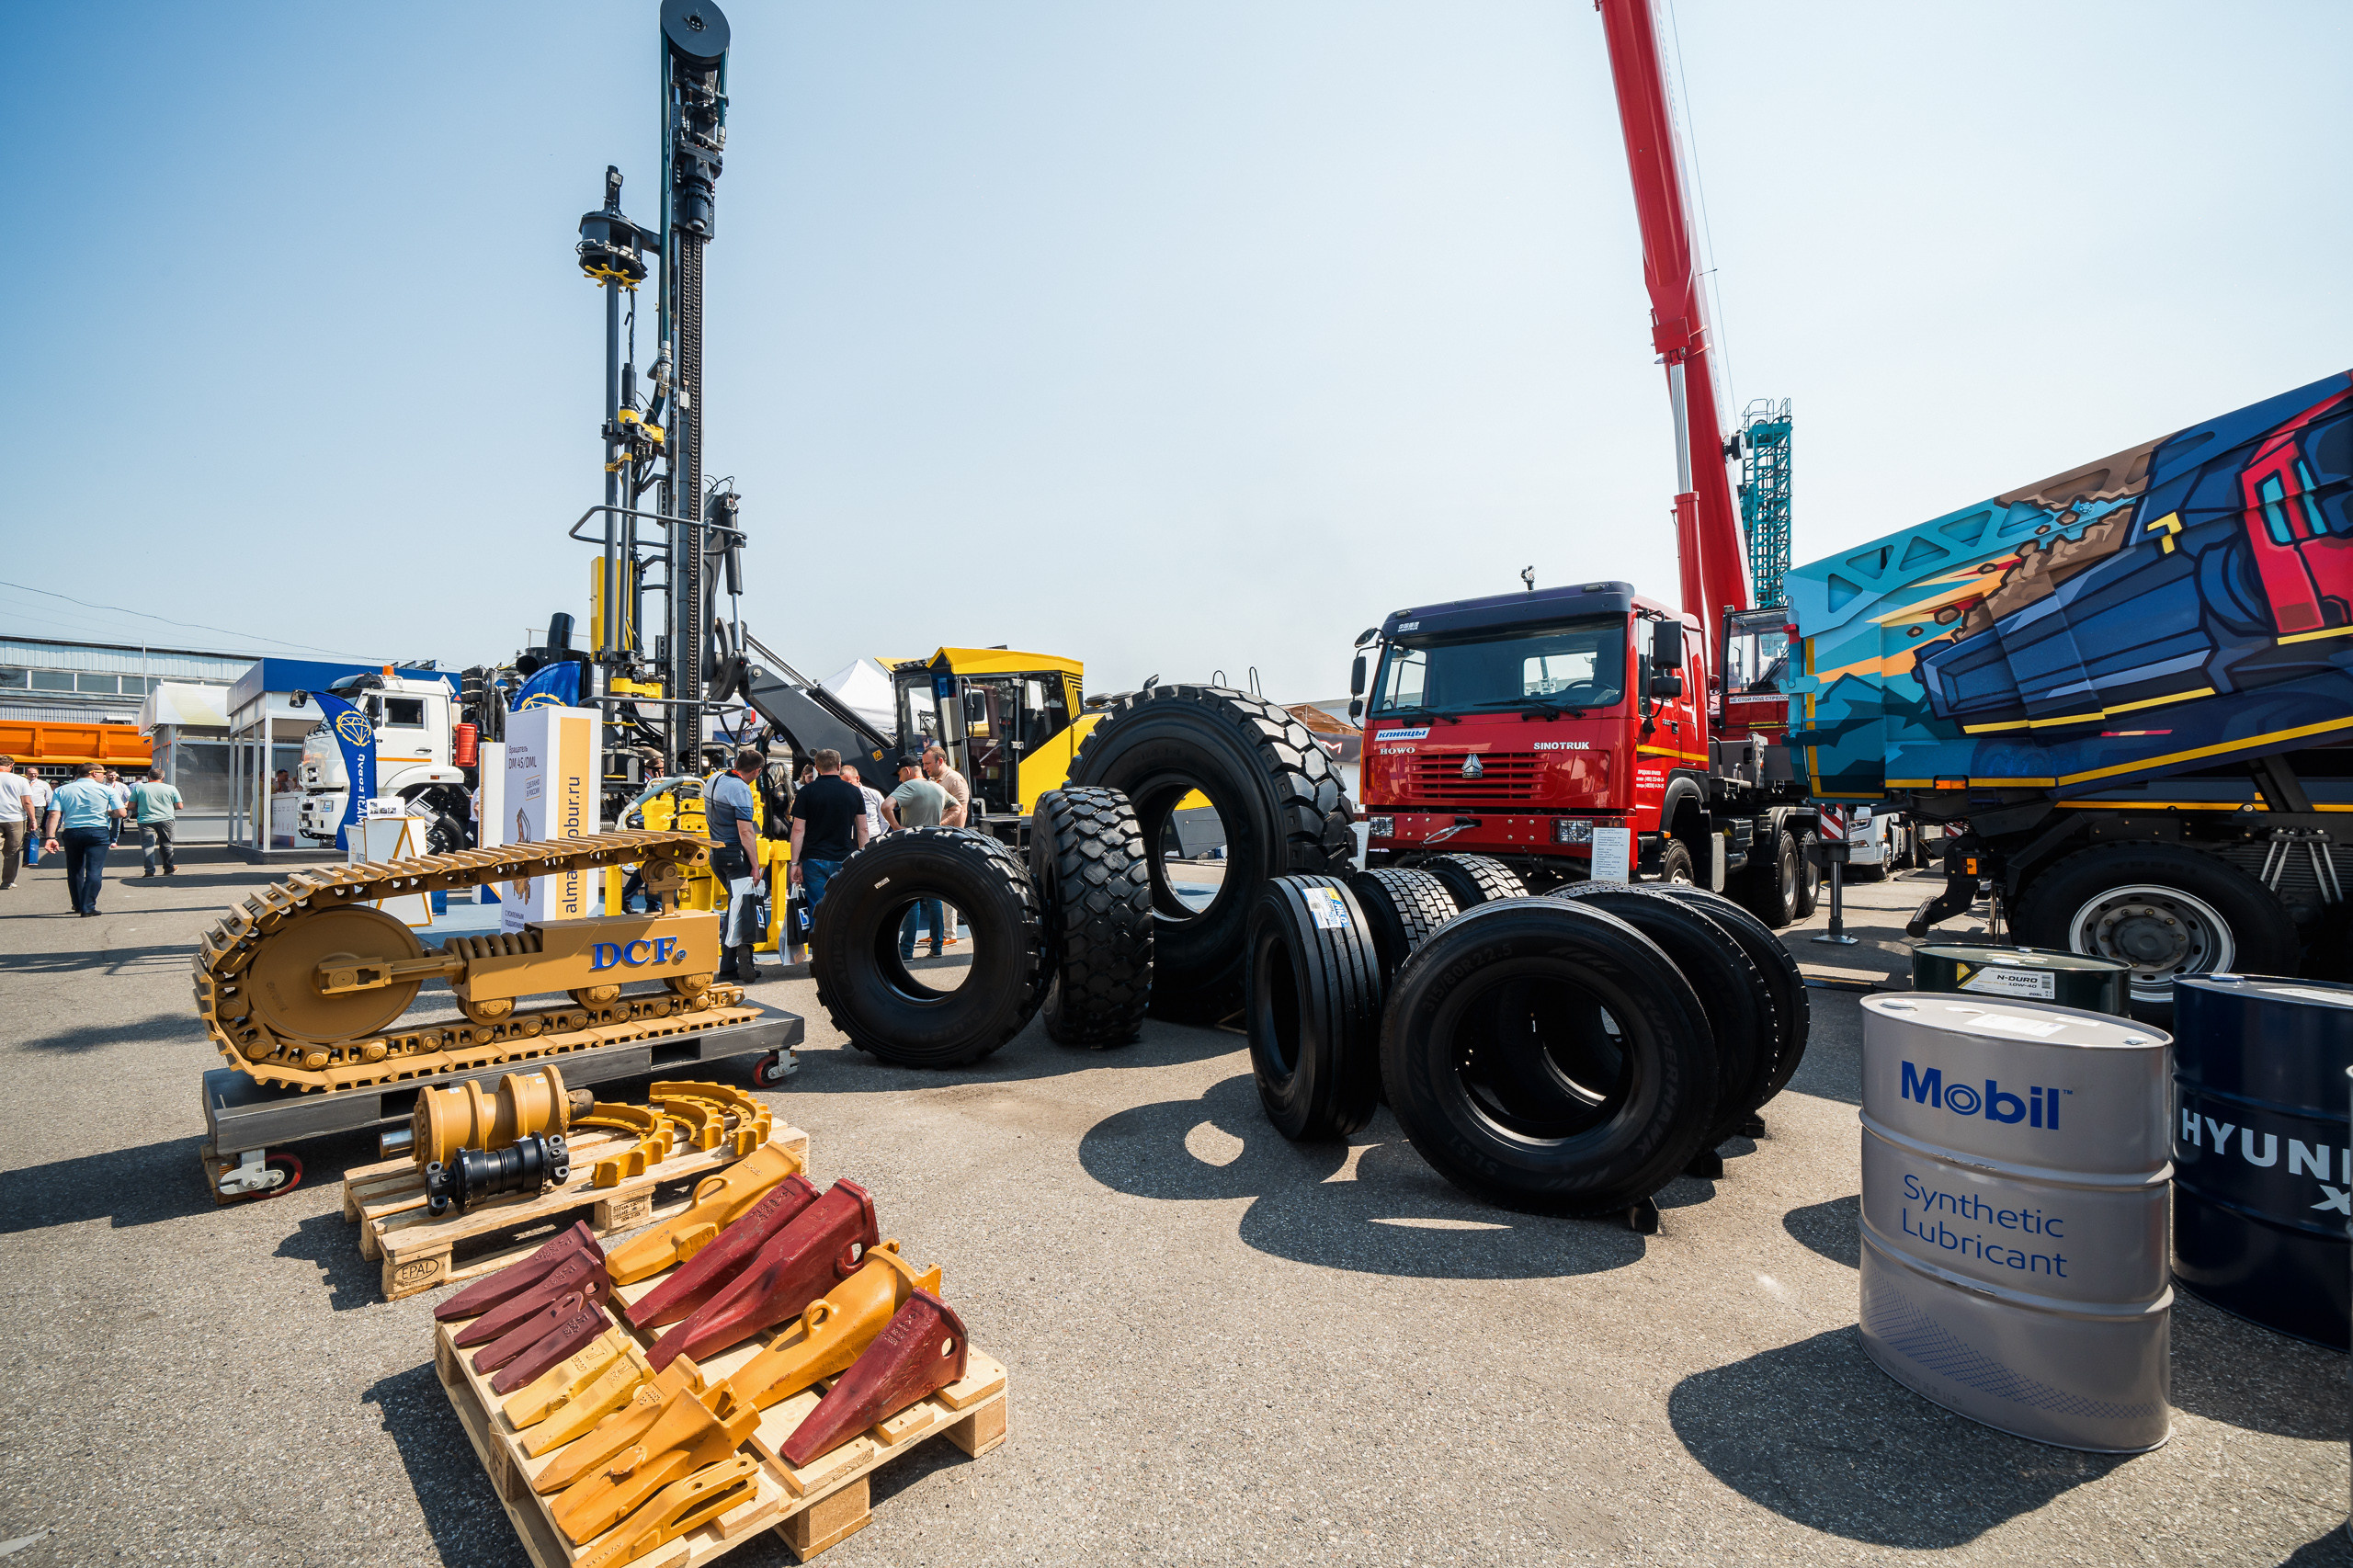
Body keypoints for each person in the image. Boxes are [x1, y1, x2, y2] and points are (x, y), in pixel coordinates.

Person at [704, 746, 767, 983]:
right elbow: (746, 831)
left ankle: (728, 965)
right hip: (735, 855)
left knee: (735, 905)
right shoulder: (741, 789)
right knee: (745, 907)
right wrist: (755, 865)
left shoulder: (715, 778)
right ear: (757, 771)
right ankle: (744, 963)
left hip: (716, 853)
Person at [789, 749, 869, 922]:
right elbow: (863, 830)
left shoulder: (806, 792)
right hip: (844, 858)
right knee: (843, 907)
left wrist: (795, 862)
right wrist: (864, 857)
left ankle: (818, 947)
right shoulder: (854, 792)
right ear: (839, 766)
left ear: (816, 767)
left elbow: (798, 830)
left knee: (818, 909)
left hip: (814, 859)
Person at [883, 756, 952, 957]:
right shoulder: (938, 788)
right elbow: (957, 807)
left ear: (907, 770)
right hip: (934, 847)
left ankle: (906, 951)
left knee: (911, 897)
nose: (899, 780)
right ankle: (937, 948)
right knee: (934, 898)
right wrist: (939, 825)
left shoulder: (909, 787)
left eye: (899, 775)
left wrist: (897, 828)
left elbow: (886, 806)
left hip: (911, 847)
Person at [42, 763, 118, 916]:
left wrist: (50, 837)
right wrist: (108, 813)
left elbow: (54, 814)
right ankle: (88, 906)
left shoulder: (62, 790)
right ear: (93, 773)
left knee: (75, 869)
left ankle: (77, 904)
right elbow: (121, 812)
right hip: (98, 832)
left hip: (73, 832)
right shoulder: (107, 790)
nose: (104, 775)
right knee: (94, 870)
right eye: (102, 773)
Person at [922, 746, 972, 944]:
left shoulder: (955, 780)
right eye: (924, 764)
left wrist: (956, 837)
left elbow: (962, 810)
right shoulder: (934, 780)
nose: (924, 767)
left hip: (948, 838)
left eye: (928, 763)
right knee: (935, 885)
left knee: (947, 886)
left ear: (940, 762)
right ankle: (939, 933)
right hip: (935, 837)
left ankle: (949, 935)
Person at [129, 767, 183, 877]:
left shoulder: (139, 788)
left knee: (148, 846)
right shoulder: (171, 788)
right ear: (163, 777)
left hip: (145, 820)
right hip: (166, 820)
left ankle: (149, 870)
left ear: (148, 777)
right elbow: (179, 806)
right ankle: (168, 868)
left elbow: (131, 806)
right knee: (166, 844)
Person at [0, 756, 36, 891]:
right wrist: (33, 820)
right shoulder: (20, 780)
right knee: (12, 851)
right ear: (12, 765)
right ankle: (7, 882)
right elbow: (27, 802)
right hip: (15, 818)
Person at [840, 765, 890, 843]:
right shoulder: (840, 797)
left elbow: (885, 819)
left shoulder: (873, 794)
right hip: (849, 841)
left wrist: (878, 837)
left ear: (857, 778)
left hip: (872, 839)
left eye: (850, 783)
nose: (847, 787)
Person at [20, 768, 50, 866]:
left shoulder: (43, 784)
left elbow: (49, 798)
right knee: (21, 829)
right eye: (31, 773)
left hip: (38, 808)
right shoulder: (22, 783)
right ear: (26, 774)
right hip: (22, 807)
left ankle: (31, 858)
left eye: (35, 773)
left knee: (34, 830)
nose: (33, 775)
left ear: (38, 774)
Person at [102, 768, 131, 845]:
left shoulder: (121, 786)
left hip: (117, 808)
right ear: (106, 776)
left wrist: (127, 803)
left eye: (114, 775)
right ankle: (106, 840)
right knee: (106, 825)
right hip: (105, 808)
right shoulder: (101, 786)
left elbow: (129, 796)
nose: (113, 777)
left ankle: (114, 841)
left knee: (116, 826)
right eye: (110, 775)